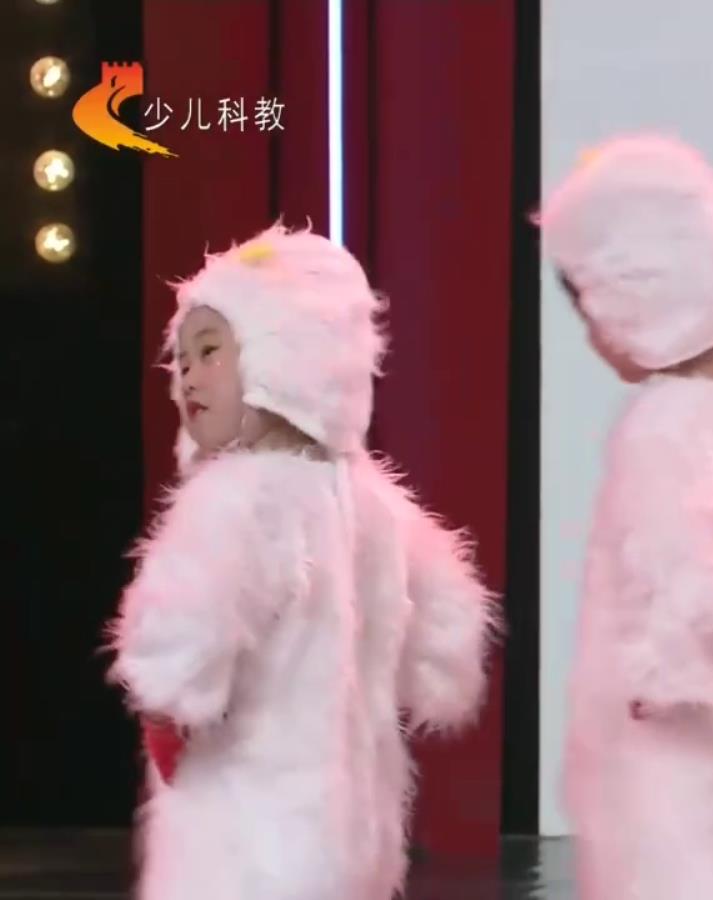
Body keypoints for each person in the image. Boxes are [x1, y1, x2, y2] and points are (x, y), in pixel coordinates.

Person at [109, 224, 499, 900]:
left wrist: (167, 706)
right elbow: (447, 633)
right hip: (354, 828)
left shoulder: (234, 498)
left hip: (246, 826)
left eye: (211, 351)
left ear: (285, 356)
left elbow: (183, 627)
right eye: (182, 359)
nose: (187, 376)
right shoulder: (376, 505)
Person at [540, 134, 713, 900]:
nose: (593, 335)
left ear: (638, 294)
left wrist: (670, 677)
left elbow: (703, 570)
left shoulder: (667, 422)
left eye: (591, 308)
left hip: (679, 747)